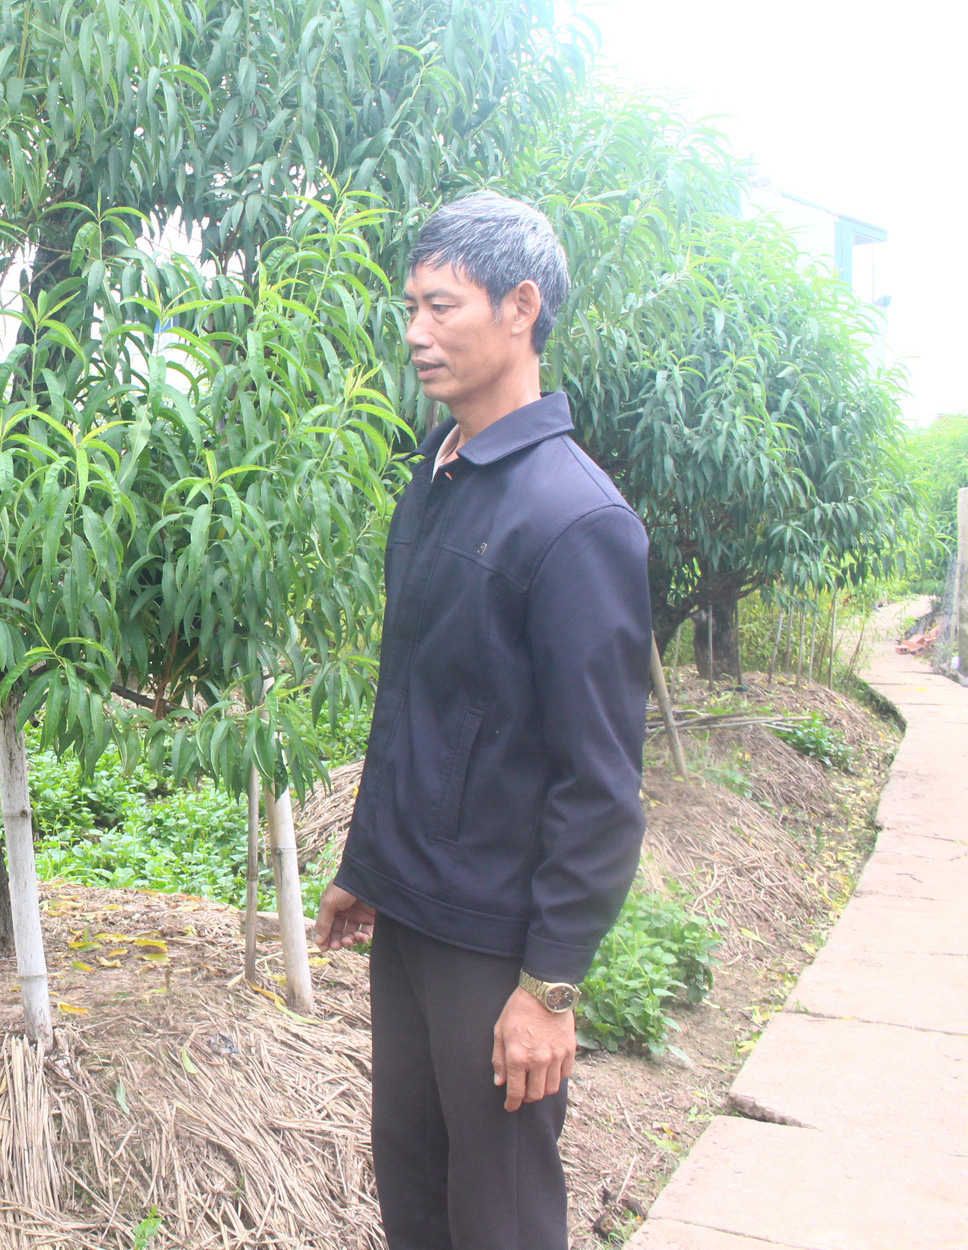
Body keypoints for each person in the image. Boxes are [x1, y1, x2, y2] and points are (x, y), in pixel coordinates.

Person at [311, 192, 651, 1249]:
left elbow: (599, 784)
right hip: (411, 918)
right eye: (408, 305)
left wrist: (548, 985)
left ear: (518, 306)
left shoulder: (573, 519)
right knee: (413, 1191)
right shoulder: (438, 475)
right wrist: (369, 861)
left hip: (493, 943)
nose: (414, 332)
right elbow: (413, 697)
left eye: (440, 306)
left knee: (495, 1213)